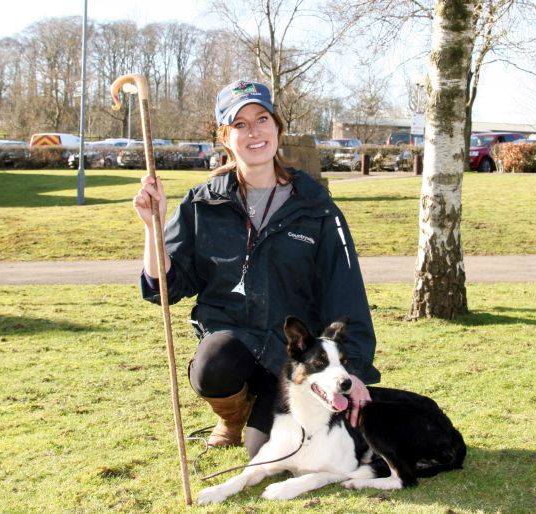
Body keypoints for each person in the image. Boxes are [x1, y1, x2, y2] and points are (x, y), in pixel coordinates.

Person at [133, 80, 380, 457]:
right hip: (233, 343)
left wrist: (355, 371)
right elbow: (164, 286)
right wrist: (153, 227)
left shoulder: (316, 207)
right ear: (225, 136)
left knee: (265, 452)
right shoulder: (202, 203)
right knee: (211, 366)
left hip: (294, 358)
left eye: (262, 119)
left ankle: (260, 415)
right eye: (240, 124)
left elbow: (345, 291)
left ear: (278, 127)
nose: (254, 132)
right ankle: (232, 417)